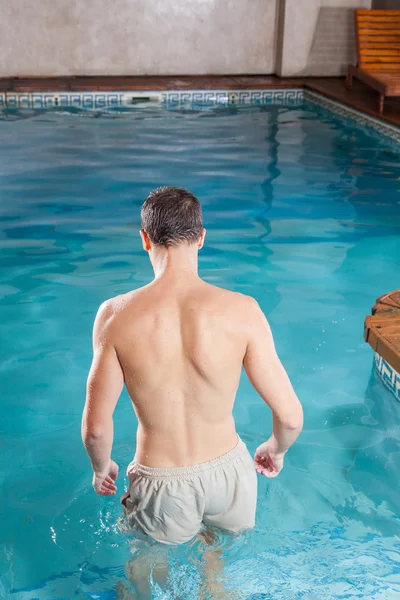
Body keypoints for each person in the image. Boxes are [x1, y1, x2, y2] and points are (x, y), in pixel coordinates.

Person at [82, 186, 303, 546]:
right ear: (201, 238)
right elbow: (291, 417)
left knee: (145, 568)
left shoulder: (115, 316)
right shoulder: (243, 310)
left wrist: (100, 467)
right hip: (230, 473)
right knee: (217, 567)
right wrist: (275, 449)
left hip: (161, 480)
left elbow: (94, 430)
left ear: (145, 240)